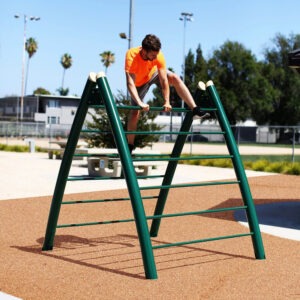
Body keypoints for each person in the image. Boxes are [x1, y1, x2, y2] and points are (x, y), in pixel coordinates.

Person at [125, 34, 209, 153]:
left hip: (153, 74)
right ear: (144, 51)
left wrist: (167, 101)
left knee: (174, 78)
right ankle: (130, 145)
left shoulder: (158, 56)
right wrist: (139, 102)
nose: (155, 57)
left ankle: (195, 108)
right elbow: (130, 83)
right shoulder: (131, 55)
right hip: (138, 83)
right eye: (153, 55)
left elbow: (164, 80)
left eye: (156, 55)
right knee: (135, 112)